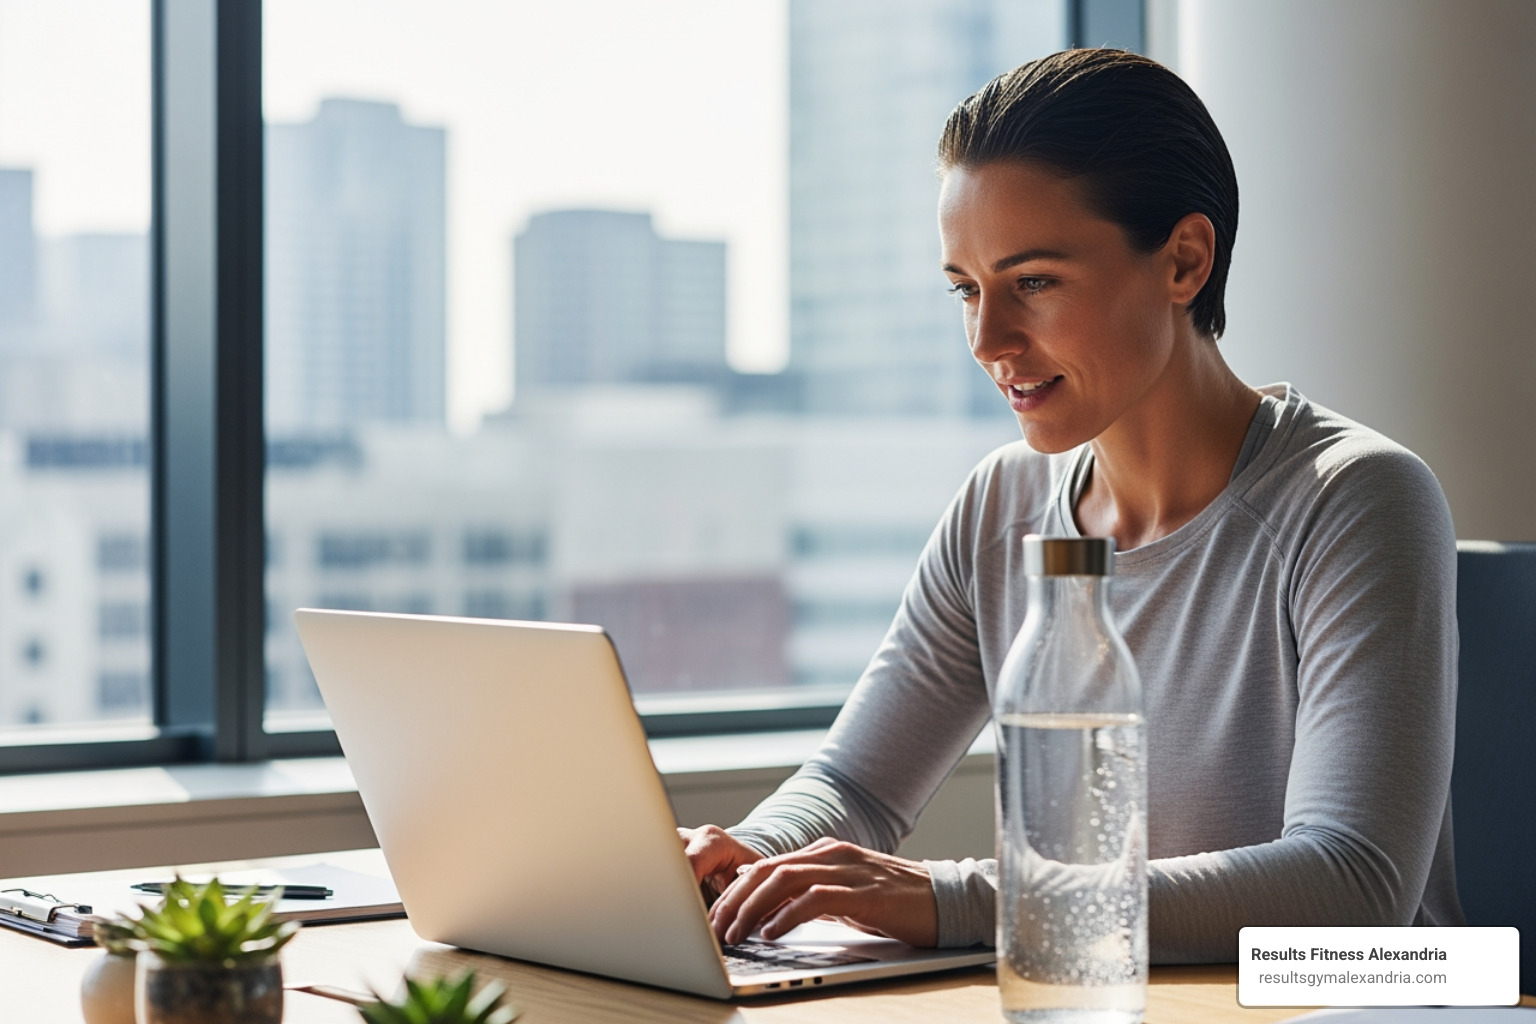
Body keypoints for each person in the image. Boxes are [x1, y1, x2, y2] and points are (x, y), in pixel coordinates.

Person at [680, 48, 1463, 963]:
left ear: (1184, 261)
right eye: (967, 290)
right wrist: (752, 861)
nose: (987, 339)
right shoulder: (1002, 505)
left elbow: (1350, 886)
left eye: (1035, 284)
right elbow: (855, 781)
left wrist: (951, 897)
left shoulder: (1356, 499)